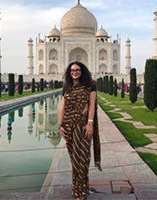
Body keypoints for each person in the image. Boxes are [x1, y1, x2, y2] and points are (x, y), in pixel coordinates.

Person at [58, 61, 101, 200]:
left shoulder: (90, 85)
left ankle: (81, 191)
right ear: (69, 73)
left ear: (82, 71)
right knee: (74, 160)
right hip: (69, 127)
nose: (74, 72)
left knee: (83, 158)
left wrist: (90, 123)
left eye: (77, 70)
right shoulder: (67, 87)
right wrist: (59, 126)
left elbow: (92, 104)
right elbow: (62, 107)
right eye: (72, 70)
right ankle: (78, 191)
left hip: (82, 126)